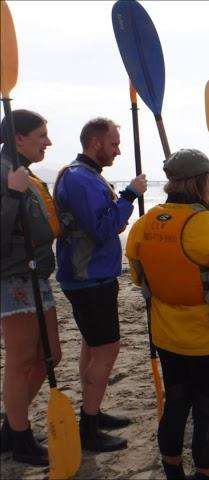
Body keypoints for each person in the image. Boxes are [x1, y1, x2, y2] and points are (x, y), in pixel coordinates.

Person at [126, 148, 209, 480]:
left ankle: (172, 473)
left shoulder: (143, 223)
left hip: (166, 335)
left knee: (175, 404)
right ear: (201, 181)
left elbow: (138, 277)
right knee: (207, 414)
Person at [54, 117, 147, 452]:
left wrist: (118, 207)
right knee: (106, 349)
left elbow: (101, 224)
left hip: (89, 275)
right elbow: (102, 229)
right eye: (114, 144)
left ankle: (91, 411)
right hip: (89, 278)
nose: (118, 150)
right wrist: (130, 195)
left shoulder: (86, 176)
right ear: (94, 142)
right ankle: (89, 427)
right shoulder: (81, 179)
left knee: (92, 347)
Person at [0, 110, 60, 465]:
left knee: (52, 354)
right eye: (41, 135)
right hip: (14, 278)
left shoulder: (24, 171)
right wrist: (11, 195)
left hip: (37, 273)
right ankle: (19, 438)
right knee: (22, 361)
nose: (48, 142)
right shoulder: (6, 173)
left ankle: (12, 424)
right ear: (18, 137)